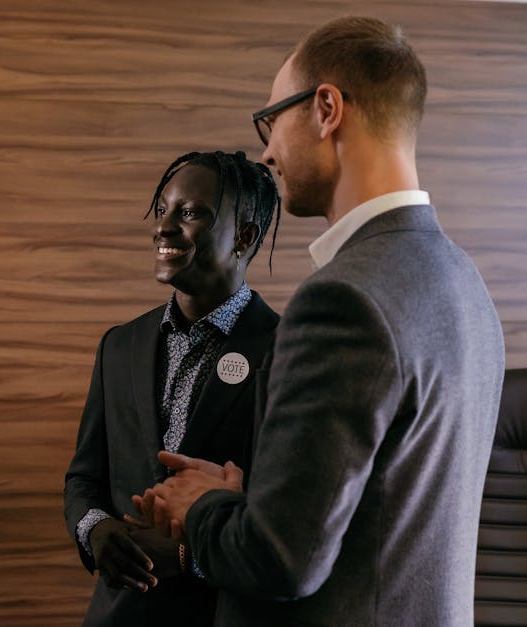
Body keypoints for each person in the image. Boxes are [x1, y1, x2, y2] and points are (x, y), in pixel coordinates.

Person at [137, 16, 506, 626]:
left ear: (326, 109)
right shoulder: (464, 281)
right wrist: (248, 497)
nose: (267, 152)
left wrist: (201, 507)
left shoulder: (342, 301)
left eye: (272, 120)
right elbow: (386, 507)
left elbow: (280, 561)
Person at [64, 150, 280, 625]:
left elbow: (287, 524)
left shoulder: (287, 353)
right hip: (118, 614)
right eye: (163, 210)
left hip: (224, 612)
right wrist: (96, 531)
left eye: (190, 213)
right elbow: (84, 478)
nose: (164, 226)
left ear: (243, 236)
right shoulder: (119, 346)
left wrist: (190, 558)